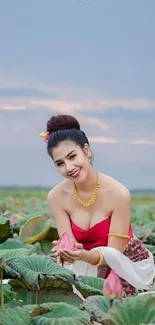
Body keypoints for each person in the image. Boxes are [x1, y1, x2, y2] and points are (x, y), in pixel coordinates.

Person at [40, 114, 155, 296]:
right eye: (60, 163)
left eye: (72, 156)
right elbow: (70, 247)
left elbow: (114, 255)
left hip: (123, 267)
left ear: (86, 151)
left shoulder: (118, 193)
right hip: (82, 268)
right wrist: (65, 252)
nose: (69, 168)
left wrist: (82, 255)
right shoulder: (56, 196)